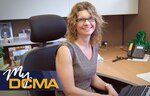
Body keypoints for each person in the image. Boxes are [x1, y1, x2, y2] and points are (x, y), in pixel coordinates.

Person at [56, 1, 118, 96]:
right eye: (81, 19)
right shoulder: (65, 50)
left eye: (90, 18)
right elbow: (69, 91)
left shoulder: (94, 45)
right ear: (74, 24)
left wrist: (108, 86)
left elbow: (91, 77)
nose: (87, 23)